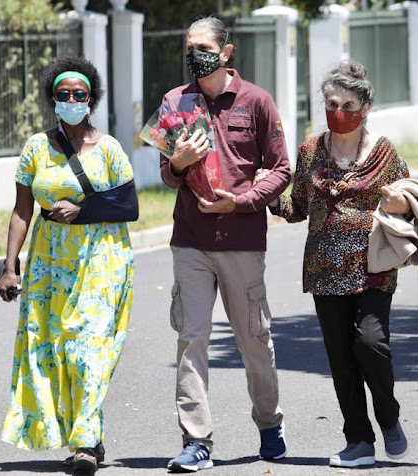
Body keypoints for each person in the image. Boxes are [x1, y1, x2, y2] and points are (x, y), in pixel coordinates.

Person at [255, 60, 411, 468]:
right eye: (331, 102)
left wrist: (400, 203)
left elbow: (410, 199)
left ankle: (388, 417)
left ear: (365, 106)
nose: (338, 111)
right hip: (325, 270)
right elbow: (298, 207)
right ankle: (358, 440)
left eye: (347, 103)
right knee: (341, 360)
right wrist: (269, 195)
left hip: (373, 265)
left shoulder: (384, 152)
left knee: (370, 343)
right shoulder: (310, 151)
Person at [158, 16, 292, 473]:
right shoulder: (175, 102)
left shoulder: (257, 101)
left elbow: (281, 169)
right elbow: (165, 174)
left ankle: (269, 423)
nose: (195, 52)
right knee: (192, 338)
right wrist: (177, 163)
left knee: (254, 340)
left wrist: (241, 202)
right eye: (189, 44)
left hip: (241, 240)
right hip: (190, 241)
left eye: (203, 45)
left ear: (226, 52)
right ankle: (196, 441)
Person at [0, 55, 135, 474]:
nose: (72, 99)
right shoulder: (37, 148)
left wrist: (83, 210)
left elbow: (129, 205)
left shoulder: (108, 148)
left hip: (101, 258)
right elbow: (22, 211)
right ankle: (89, 438)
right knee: (55, 351)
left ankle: (85, 447)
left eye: (80, 94)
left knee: (85, 349)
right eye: (64, 94)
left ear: (91, 99)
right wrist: (9, 266)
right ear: (53, 99)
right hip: (49, 263)